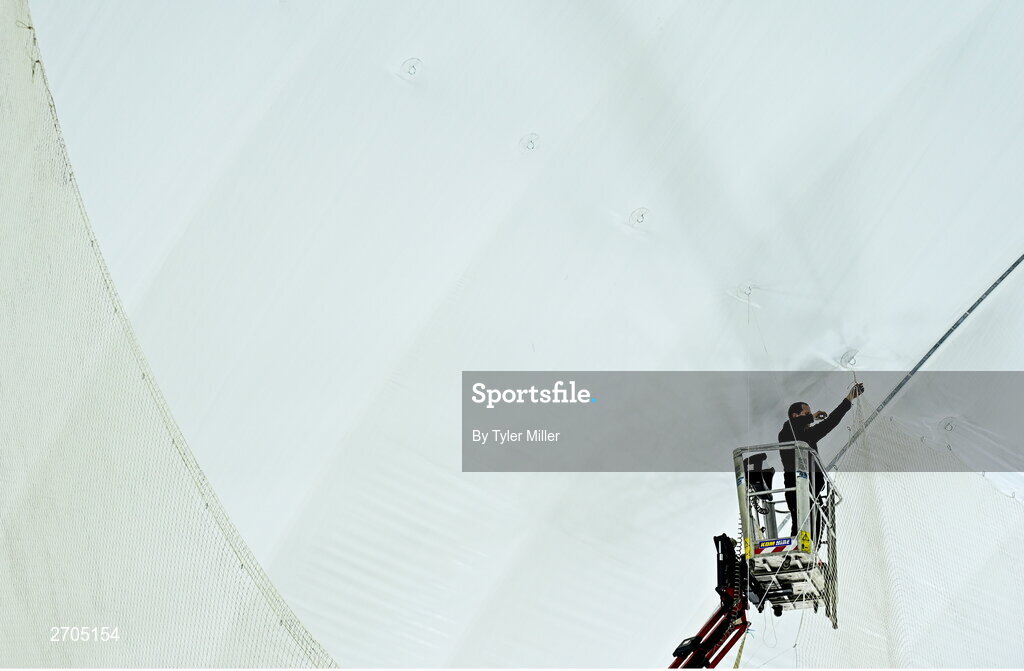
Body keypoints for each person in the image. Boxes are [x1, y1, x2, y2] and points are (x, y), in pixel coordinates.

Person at [778, 382, 865, 537]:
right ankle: (796, 551)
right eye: (806, 414)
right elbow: (792, 427)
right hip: (797, 488)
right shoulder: (786, 432)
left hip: (813, 491)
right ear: (795, 415)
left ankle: (809, 555)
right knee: (801, 524)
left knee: (817, 523)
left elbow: (831, 422)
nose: (810, 417)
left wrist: (849, 398)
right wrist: (813, 416)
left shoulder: (809, 435)